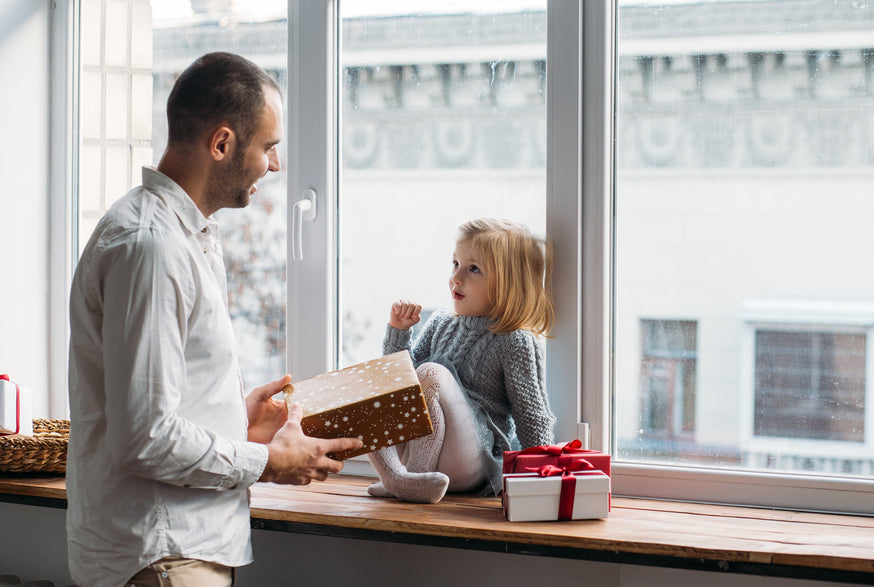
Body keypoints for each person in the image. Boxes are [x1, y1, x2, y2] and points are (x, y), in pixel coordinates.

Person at [66, 52, 362, 587]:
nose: (277, 165)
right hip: (162, 556)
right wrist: (266, 460)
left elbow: (151, 408)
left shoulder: (181, 236)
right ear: (222, 144)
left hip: (175, 552)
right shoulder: (150, 248)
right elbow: (145, 438)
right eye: (268, 147)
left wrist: (234, 419)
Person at [368, 218, 557, 504]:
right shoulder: (441, 322)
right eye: (455, 264)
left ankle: (410, 477)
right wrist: (399, 332)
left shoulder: (513, 340)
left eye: (473, 269)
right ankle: (397, 477)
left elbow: (532, 416)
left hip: (473, 460)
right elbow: (399, 386)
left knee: (431, 372)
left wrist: (544, 481)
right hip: (427, 461)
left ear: (507, 284)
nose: (457, 278)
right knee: (377, 391)